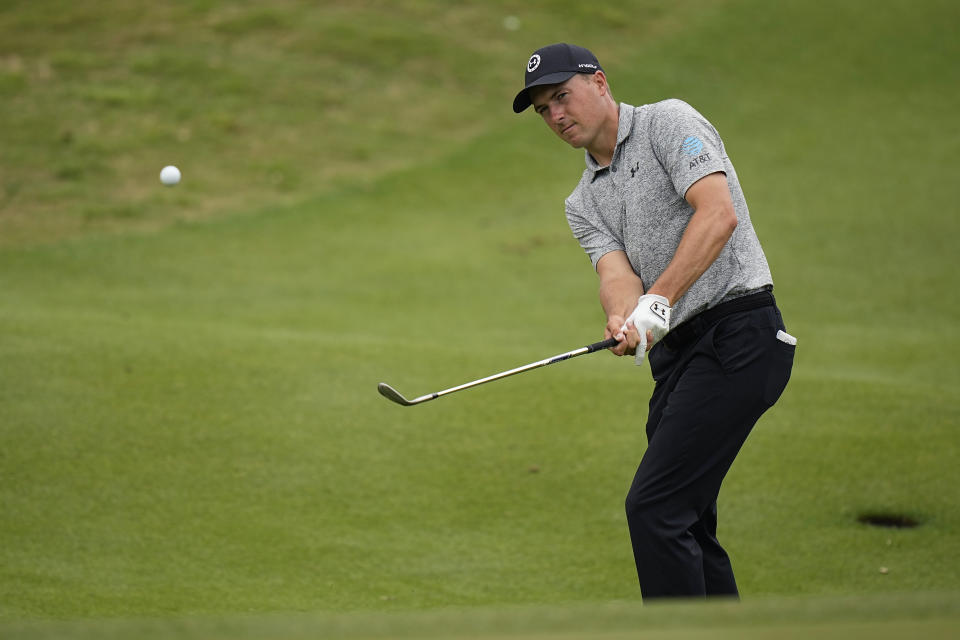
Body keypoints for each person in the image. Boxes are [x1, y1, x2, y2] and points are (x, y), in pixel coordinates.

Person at [512, 43, 796, 600]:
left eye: (561, 96)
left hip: (740, 334)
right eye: (544, 109)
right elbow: (616, 275)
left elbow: (718, 213)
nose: (556, 116)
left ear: (599, 83)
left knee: (655, 508)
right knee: (685, 521)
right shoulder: (582, 201)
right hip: (679, 360)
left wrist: (659, 300)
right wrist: (624, 316)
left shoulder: (668, 121)